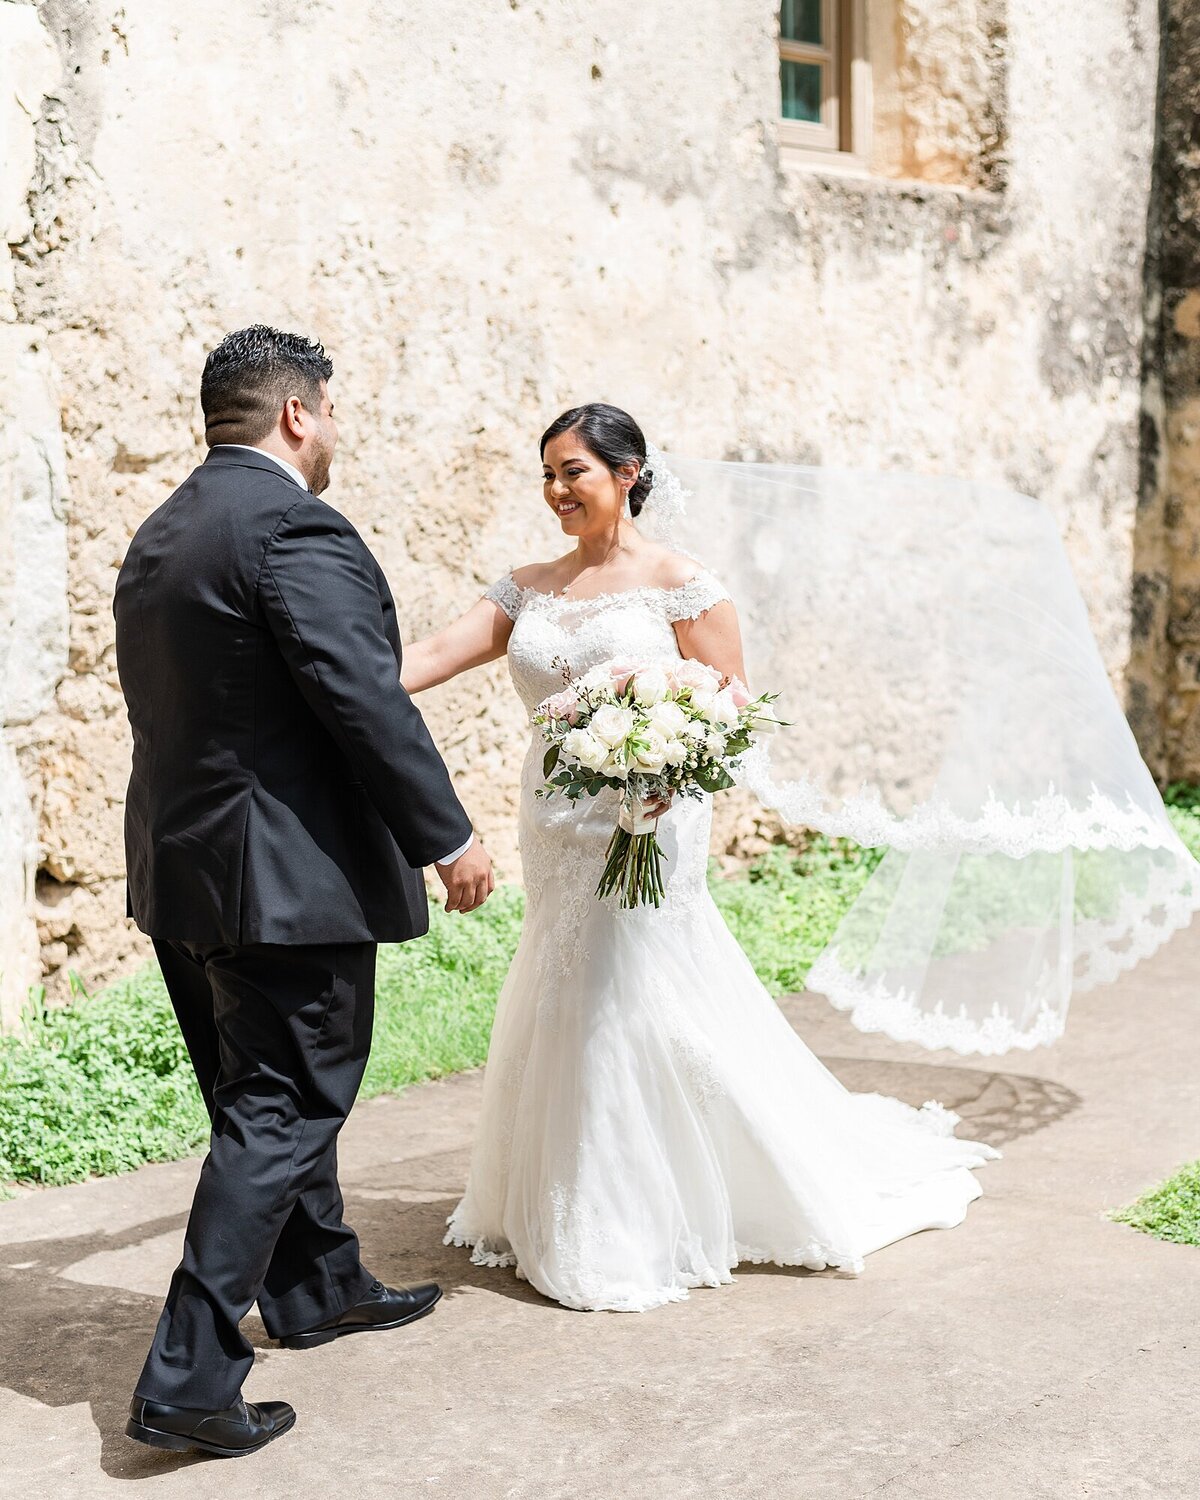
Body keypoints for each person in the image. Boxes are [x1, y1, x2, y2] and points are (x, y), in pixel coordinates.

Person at [400, 402, 997, 1314]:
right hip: (555, 822)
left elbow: (732, 717)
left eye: (576, 472)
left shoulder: (685, 585)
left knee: (620, 988)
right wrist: (338, 682)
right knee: (563, 980)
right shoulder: (527, 586)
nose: (558, 490)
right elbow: (439, 651)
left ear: (628, 473)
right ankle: (564, 1192)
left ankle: (621, 1216)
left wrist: (666, 769)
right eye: (548, 475)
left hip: (649, 817)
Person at [113, 325, 494, 1456]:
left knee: (262, 1092)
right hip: (281, 880)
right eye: (328, 412)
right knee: (279, 1108)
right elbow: (363, 696)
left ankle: (317, 1285)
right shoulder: (293, 525)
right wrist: (448, 834)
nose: (333, 433)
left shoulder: (163, 529)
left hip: (184, 873)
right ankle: (186, 1376)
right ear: (295, 415)